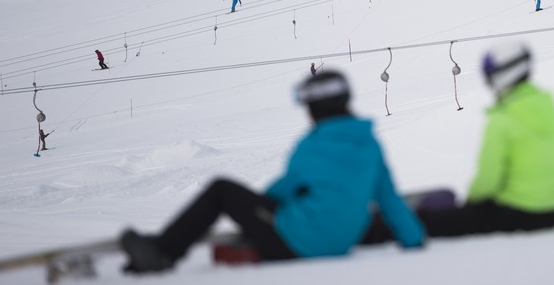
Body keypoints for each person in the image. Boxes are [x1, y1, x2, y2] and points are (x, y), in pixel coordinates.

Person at [120, 70, 425, 273]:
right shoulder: (369, 144)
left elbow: (285, 189)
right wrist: (414, 240)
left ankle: (162, 253)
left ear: (312, 108)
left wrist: (256, 213)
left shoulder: (313, 143)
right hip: (342, 244)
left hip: (298, 245)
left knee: (222, 190)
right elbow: (389, 199)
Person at [364, 41, 554, 241]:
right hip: (549, 212)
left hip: (515, 213)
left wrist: (470, 207)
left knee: (431, 220)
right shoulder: (549, 109)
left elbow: (488, 178)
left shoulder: (504, 120)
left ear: (501, 75)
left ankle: (371, 230)